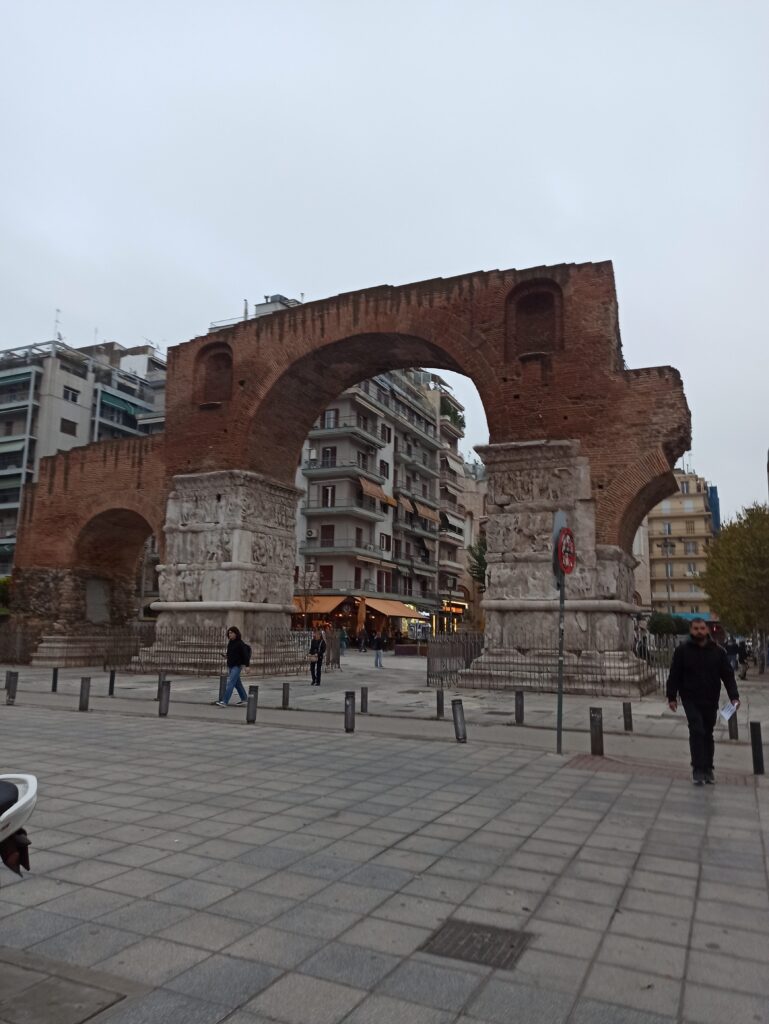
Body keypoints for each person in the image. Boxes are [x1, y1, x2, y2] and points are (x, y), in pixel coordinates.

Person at [666, 617, 740, 785]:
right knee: (697, 729)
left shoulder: (718, 651)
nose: (699, 631)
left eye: (701, 628)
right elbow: (674, 674)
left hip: (710, 699)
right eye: (695, 628)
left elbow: (728, 676)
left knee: (707, 732)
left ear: (707, 630)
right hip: (690, 698)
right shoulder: (682, 651)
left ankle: (708, 768)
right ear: (691, 630)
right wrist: (671, 697)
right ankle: (698, 768)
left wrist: (734, 696)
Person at [216, 626, 249, 707]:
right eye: (229, 633)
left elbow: (245, 655)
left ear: (236, 633)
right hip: (230, 665)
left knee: (230, 683)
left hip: (237, 666)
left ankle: (225, 701)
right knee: (237, 684)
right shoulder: (230, 643)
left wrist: (247, 666)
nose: (230, 634)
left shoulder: (240, 643)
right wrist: (226, 656)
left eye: (231, 633)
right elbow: (231, 653)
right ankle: (244, 699)